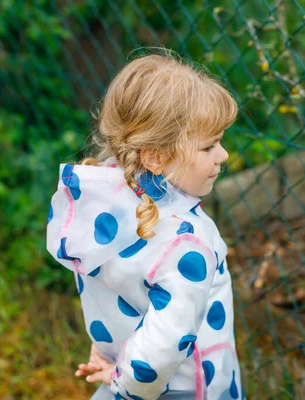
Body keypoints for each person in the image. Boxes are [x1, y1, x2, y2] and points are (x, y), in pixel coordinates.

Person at [46, 50, 243, 400]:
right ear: (155, 156)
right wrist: (126, 382)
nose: (223, 155)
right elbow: (166, 344)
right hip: (179, 387)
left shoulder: (97, 200)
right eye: (209, 146)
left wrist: (110, 360)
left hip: (121, 369)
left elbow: (106, 290)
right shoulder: (188, 241)